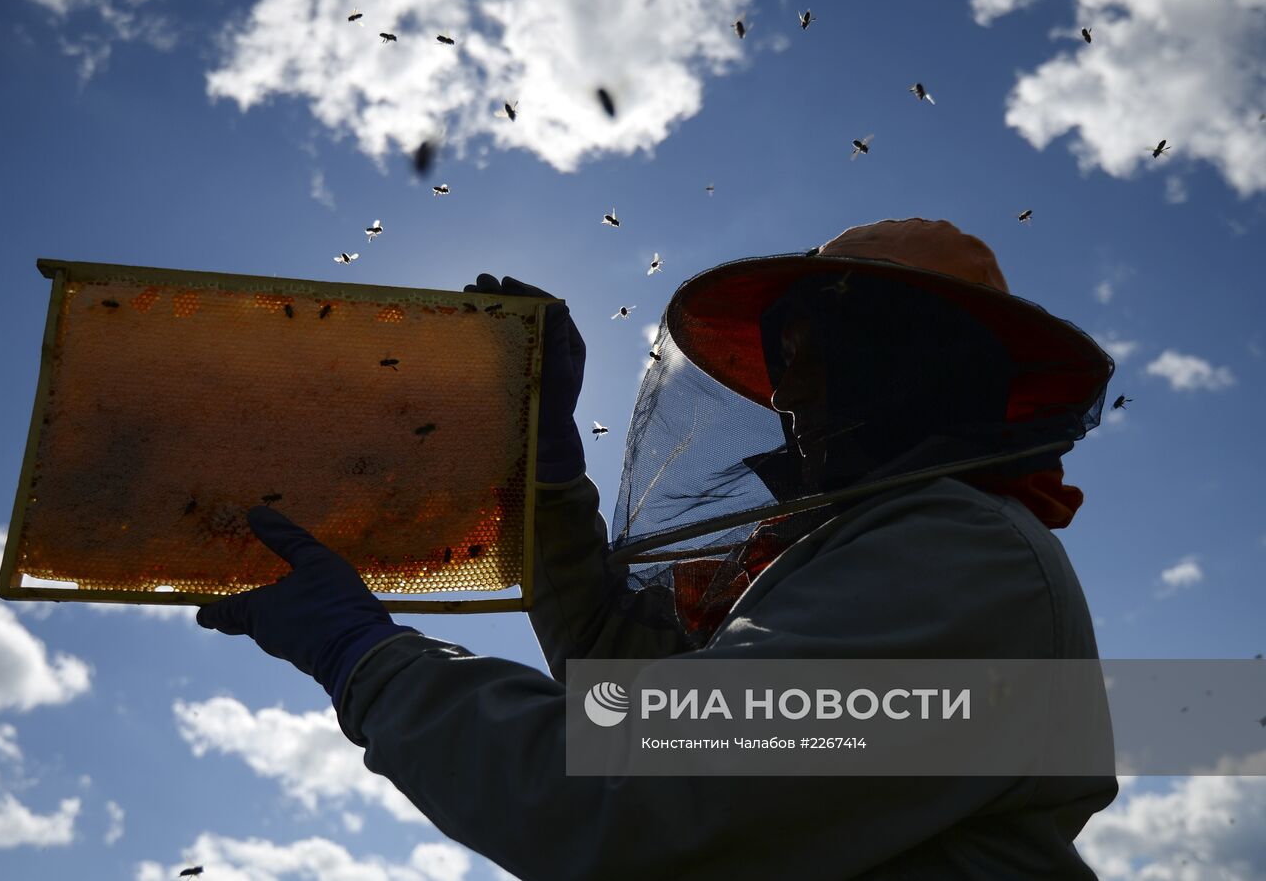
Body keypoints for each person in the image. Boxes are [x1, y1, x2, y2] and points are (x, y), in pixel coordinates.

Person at [196, 218, 1118, 880]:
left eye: (811, 346)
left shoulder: (959, 556)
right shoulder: (836, 557)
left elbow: (639, 785)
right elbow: (626, 681)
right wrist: (546, 477)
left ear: (908, 358)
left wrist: (368, 657)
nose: (787, 385)